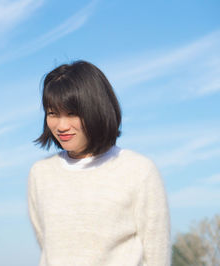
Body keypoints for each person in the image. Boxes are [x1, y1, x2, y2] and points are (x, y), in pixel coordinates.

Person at [28, 60, 170, 266]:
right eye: (53, 114)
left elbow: (157, 255)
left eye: (72, 113)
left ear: (96, 108)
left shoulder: (138, 170)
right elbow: (49, 248)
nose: (61, 126)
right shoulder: (41, 174)